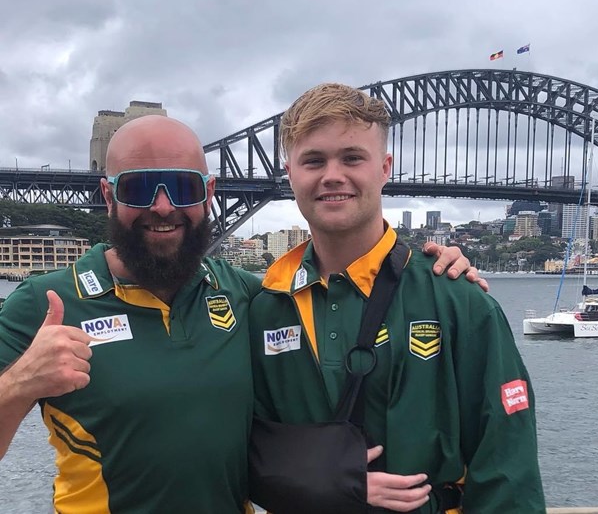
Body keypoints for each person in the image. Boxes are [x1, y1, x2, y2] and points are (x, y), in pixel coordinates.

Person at [0, 115, 483, 513]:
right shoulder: (44, 306)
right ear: (108, 195)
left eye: (183, 188)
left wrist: (437, 271)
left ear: (209, 192)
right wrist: (19, 382)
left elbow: (346, 298)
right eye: (140, 187)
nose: (163, 207)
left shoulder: (244, 294)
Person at [250, 83, 546, 513]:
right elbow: (243, 447)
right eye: (313, 160)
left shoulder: (458, 301)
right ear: (289, 174)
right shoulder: (264, 307)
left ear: (385, 167)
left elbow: (507, 465)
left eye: (352, 157)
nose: (333, 175)